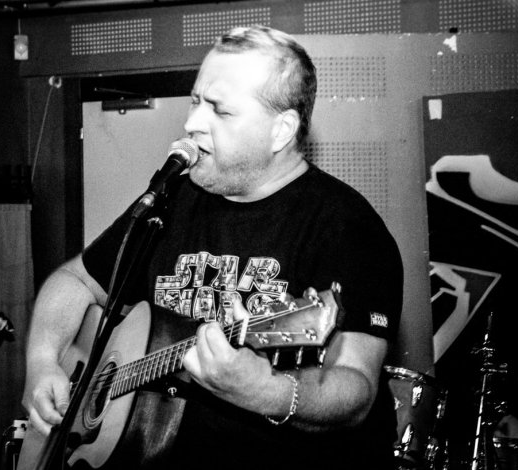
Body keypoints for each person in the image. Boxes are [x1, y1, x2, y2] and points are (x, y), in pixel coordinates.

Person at [22, 25, 403, 470]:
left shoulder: (347, 227)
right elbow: (74, 280)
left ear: (281, 131)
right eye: (195, 101)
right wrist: (42, 362)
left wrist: (266, 391)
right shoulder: (170, 203)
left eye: (220, 110)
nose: (192, 123)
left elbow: (356, 387)